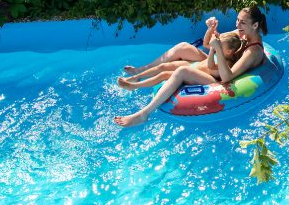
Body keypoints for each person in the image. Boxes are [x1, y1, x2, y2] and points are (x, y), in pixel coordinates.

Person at [114, 7, 269, 127]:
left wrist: (217, 49)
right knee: (182, 47)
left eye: (242, 22)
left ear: (255, 25)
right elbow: (209, 45)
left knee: (181, 70)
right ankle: (138, 73)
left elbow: (227, 77)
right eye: (237, 20)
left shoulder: (253, 51)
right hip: (215, 64)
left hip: (217, 76)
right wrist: (211, 29)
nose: (237, 25)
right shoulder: (240, 33)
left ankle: (144, 114)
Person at [116, 33, 242, 90]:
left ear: (229, 51)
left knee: (163, 75)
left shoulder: (227, 63)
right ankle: (137, 77)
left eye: (221, 45)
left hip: (199, 75)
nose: (218, 45)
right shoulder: (221, 54)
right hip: (194, 66)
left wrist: (216, 50)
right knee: (163, 66)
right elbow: (209, 60)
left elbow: (210, 65)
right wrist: (213, 49)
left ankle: (134, 86)